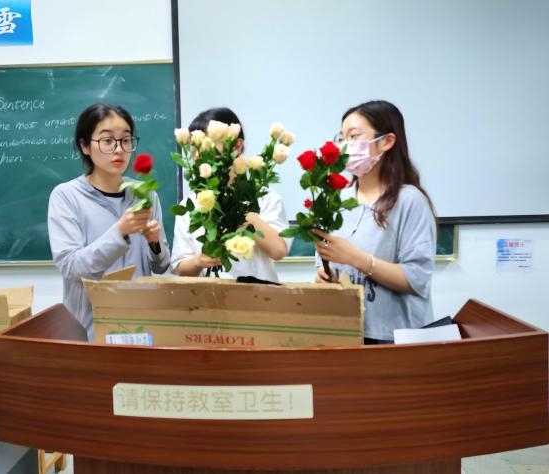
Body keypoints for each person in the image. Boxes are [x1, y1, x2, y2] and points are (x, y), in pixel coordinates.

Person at [313, 100, 437, 344]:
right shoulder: (337, 199)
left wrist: (355, 258)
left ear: (387, 141)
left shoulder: (410, 201)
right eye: (341, 138)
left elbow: (416, 279)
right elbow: (324, 263)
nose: (344, 146)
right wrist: (325, 277)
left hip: (394, 339)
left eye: (354, 136)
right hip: (346, 331)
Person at [48, 103, 170, 340]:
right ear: (85, 146)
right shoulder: (67, 196)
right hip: (89, 330)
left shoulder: (145, 195)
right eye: (107, 141)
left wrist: (155, 244)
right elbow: (71, 266)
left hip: (139, 328)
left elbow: (161, 266)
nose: (119, 149)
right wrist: (120, 231)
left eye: (125, 140)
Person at [170, 107, 291, 282]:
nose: (198, 154)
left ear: (236, 146)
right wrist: (198, 261)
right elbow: (180, 269)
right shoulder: (191, 204)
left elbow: (279, 251)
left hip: (260, 294)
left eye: (207, 142)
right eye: (194, 146)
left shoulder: (264, 196)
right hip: (207, 296)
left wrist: (244, 213)